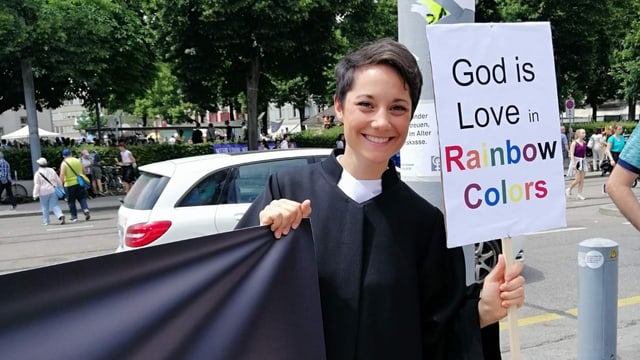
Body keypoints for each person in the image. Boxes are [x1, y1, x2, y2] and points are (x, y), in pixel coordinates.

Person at [235, 38, 524, 359]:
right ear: (340, 107)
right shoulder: (285, 191)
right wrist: (260, 241)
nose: (382, 122)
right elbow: (233, 298)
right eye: (366, 104)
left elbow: (436, 335)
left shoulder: (424, 224)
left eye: (398, 108)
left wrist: (482, 312)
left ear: (411, 117)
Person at [607, 123, 640, 230]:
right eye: (619, 129)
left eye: (621, 129)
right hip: (618, 158)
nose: (620, 130)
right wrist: (611, 159)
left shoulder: (622, 138)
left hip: (623, 156)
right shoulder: (612, 138)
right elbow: (616, 185)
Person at [59, 148, 90, 222]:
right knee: (82, 198)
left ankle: (74, 216)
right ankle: (85, 210)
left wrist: (61, 184)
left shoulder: (64, 163)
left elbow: (62, 174)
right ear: (71, 154)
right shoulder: (78, 160)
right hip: (80, 183)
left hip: (69, 184)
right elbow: (83, 171)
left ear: (64, 156)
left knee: (71, 201)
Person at [33, 157, 65, 225]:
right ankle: (60, 215)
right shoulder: (51, 170)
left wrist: (35, 194)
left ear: (39, 164)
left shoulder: (38, 173)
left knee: (45, 207)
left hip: (43, 192)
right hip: (53, 190)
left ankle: (46, 221)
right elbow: (58, 180)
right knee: (55, 205)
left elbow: (37, 185)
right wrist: (61, 187)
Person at [566, 129, 588, 200]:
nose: (584, 134)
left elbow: (584, 154)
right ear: (578, 134)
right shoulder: (574, 143)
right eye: (582, 133)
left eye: (584, 133)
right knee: (578, 179)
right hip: (577, 161)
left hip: (583, 161)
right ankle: (569, 189)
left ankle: (579, 194)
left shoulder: (584, 143)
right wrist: (573, 163)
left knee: (582, 179)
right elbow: (571, 154)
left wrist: (585, 162)